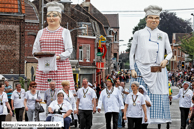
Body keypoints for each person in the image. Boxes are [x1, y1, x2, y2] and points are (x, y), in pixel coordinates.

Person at [129, 5, 172, 127]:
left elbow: (170, 52)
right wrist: (132, 68)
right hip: (140, 69)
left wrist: (166, 60)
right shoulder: (138, 34)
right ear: (146, 18)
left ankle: (154, 119)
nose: (154, 20)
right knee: (138, 96)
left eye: (156, 18)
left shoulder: (163, 35)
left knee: (157, 96)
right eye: (151, 17)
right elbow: (132, 53)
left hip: (157, 70)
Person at [32, 1, 74, 91]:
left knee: (61, 93)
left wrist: (58, 57)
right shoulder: (41, 32)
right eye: (49, 15)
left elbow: (69, 50)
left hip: (61, 67)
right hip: (44, 68)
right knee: (43, 94)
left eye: (54, 15)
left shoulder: (65, 32)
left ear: (60, 17)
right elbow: (35, 50)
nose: (51, 18)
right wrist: (41, 57)